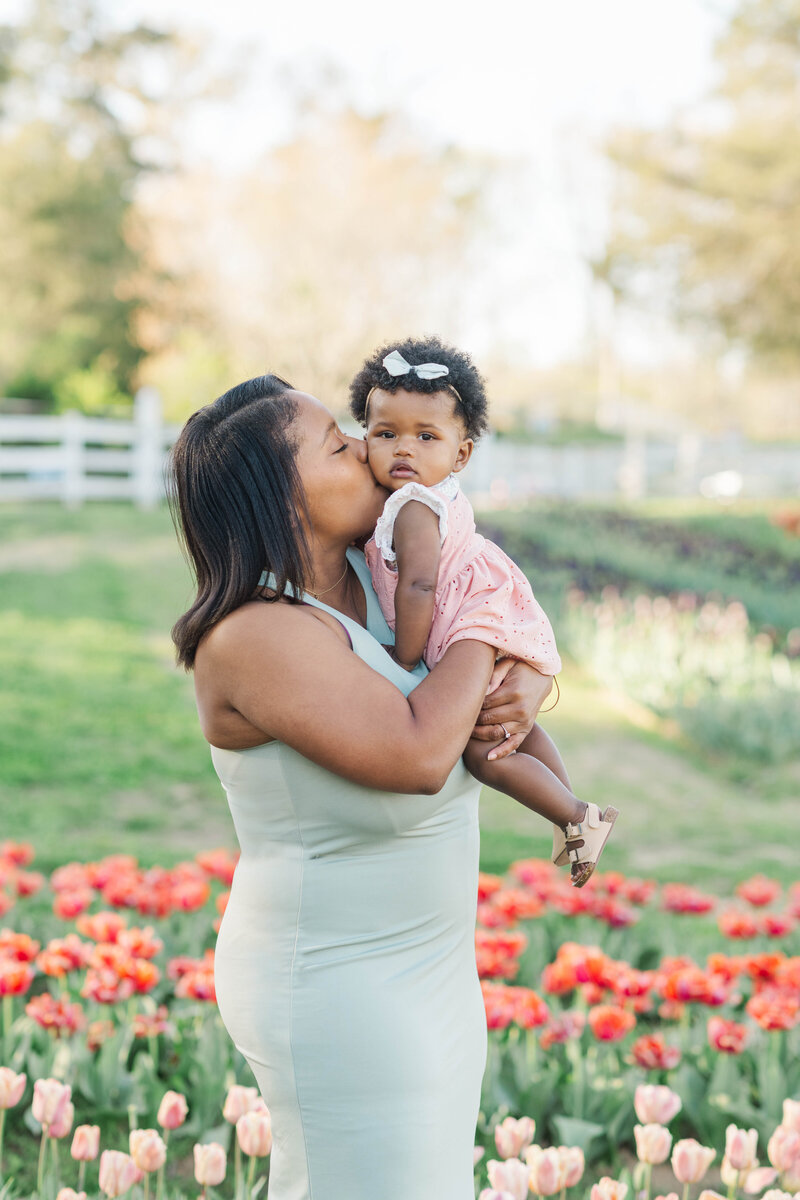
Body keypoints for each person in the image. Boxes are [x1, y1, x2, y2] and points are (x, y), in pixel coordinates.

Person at [168, 374, 552, 1200]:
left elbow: (467, 681)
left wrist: (529, 681)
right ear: (281, 498)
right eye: (342, 448)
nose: (379, 456)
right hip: (341, 984)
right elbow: (419, 754)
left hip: (433, 969)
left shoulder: (380, 580)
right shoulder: (256, 635)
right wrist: (489, 634)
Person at [349, 337, 619, 887]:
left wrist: (403, 656)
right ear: (365, 439)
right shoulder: (436, 491)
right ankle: (571, 811)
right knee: (512, 723)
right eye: (386, 434)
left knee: (481, 751)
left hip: (466, 616)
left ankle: (573, 815)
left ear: (461, 453)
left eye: (426, 437)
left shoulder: (412, 505)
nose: (405, 449)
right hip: (491, 604)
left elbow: (420, 585)